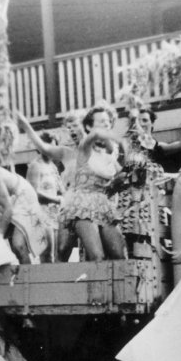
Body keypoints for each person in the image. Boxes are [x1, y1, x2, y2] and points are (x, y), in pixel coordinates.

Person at [59, 104, 127, 261]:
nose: (106, 124)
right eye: (101, 121)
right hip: (82, 202)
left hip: (103, 204)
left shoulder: (109, 152)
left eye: (108, 121)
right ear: (88, 126)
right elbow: (97, 133)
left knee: (119, 254)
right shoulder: (85, 144)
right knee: (97, 255)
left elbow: (120, 173)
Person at [117, 107, 181, 251]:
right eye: (138, 121)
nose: (141, 124)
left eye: (145, 120)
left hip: (154, 204)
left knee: (154, 241)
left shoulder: (158, 147)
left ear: (152, 125)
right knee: (131, 241)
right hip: (131, 204)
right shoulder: (126, 147)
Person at [16, 110, 83, 261]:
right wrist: (26, 126)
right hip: (50, 213)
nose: (71, 130)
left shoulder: (54, 167)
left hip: (68, 210)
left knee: (76, 251)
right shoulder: (39, 164)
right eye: (69, 127)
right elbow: (32, 192)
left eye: (75, 126)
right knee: (56, 253)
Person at [25, 131, 64, 262]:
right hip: (41, 215)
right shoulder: (35, 165)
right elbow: (32, 193)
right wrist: (57, 200)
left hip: (55, 214)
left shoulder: (53, 166)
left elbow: (60, 189)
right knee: (48, 256)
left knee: (59, 255)